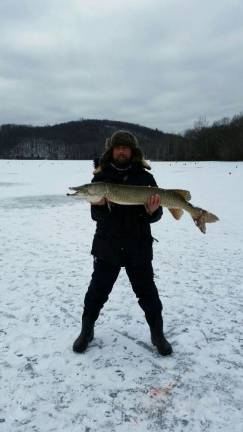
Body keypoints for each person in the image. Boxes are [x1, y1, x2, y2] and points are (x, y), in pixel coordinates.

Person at [73, 130, 172, 356]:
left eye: (126, 148)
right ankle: (86, 331)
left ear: (132, 151)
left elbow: (156, 216)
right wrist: (98, 206)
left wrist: (152, 212)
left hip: (138, 245)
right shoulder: (101, 178)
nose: (122, 151)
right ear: (112, 150)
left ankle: (157, 334)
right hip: (107, 246)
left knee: (148, 294)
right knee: (96, 293)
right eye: (118, 147)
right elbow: (96, 216)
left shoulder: (145, 178)